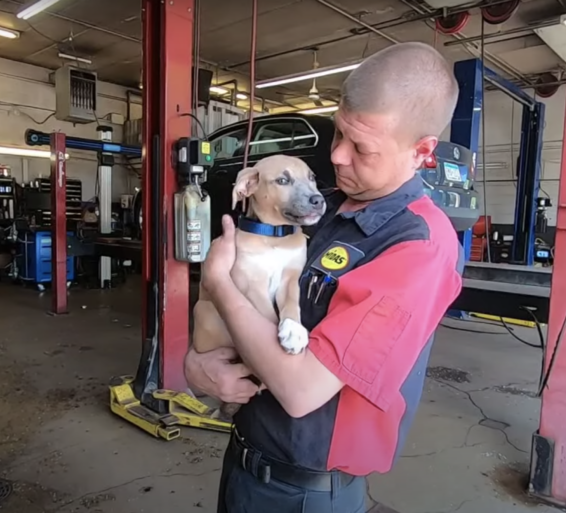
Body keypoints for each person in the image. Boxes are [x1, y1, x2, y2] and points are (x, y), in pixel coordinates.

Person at [185, 41, 464, 513]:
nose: (336, 157)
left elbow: (300, 391)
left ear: (421, 151)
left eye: (361, 147)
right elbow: (240, 321)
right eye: (338, 134)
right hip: (245, 459)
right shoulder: (326, 207)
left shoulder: (417, 246)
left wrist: (218, 284)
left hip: (302, 494)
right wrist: (196, 365)